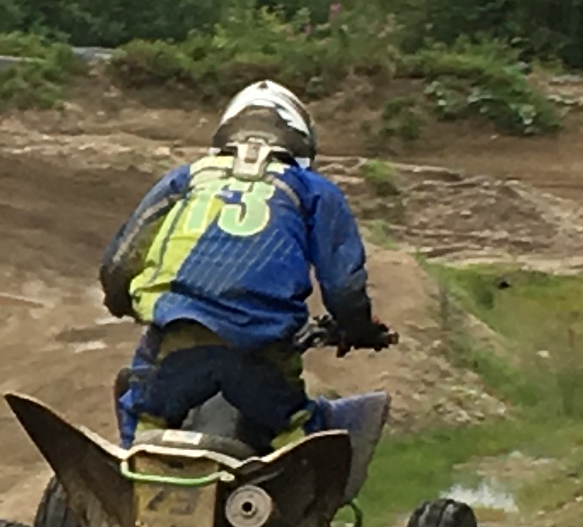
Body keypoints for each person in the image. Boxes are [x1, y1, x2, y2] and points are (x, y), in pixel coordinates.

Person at [98, 78, 395, 444]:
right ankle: (293, 467)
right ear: (300, 140)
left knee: (142, 416)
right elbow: (344, 286)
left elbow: (119, 264)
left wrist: (121, 303)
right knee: (296, 429)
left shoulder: (186, 178)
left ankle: (131, 467)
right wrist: (359, 328)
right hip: (261, 348)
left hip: (177, 337)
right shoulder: (313, 190)